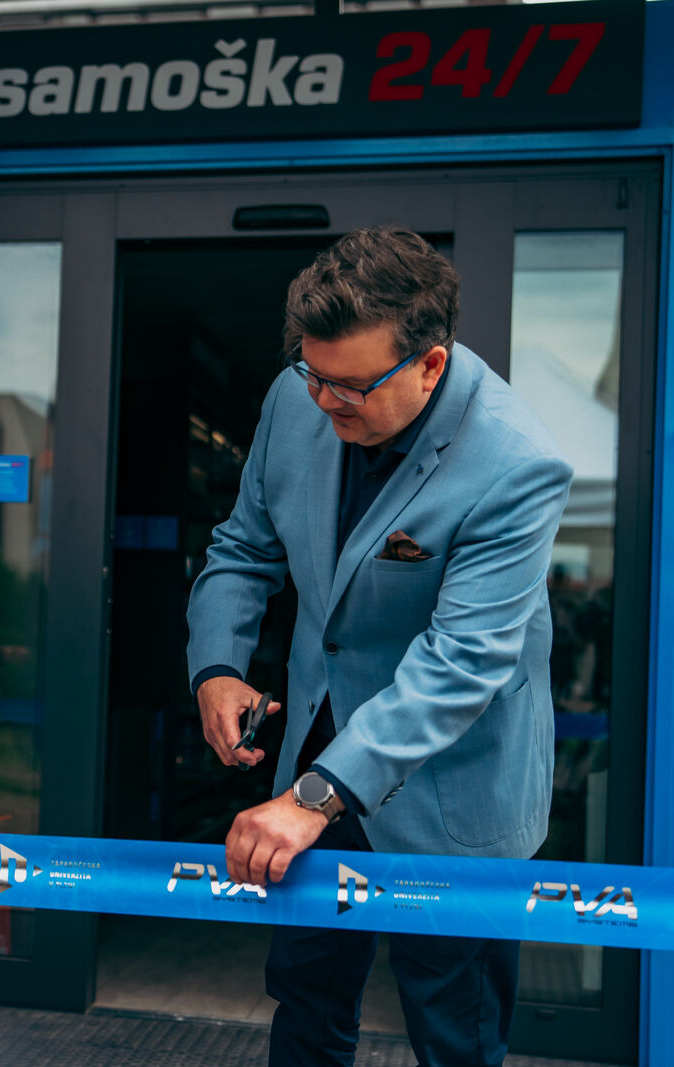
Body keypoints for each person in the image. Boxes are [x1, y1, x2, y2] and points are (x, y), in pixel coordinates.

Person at [186, 227, 573, 1067]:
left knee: (455, 1033)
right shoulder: (298, 397)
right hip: (317, 759)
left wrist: (316, 794)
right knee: (306, 1003)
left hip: (453, 787)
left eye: (351, 387)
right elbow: (244, 549)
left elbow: (463, 660)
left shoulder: (516, 463)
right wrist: (217, 668)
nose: (325, 402)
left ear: (430, 364)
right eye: (312, 374)